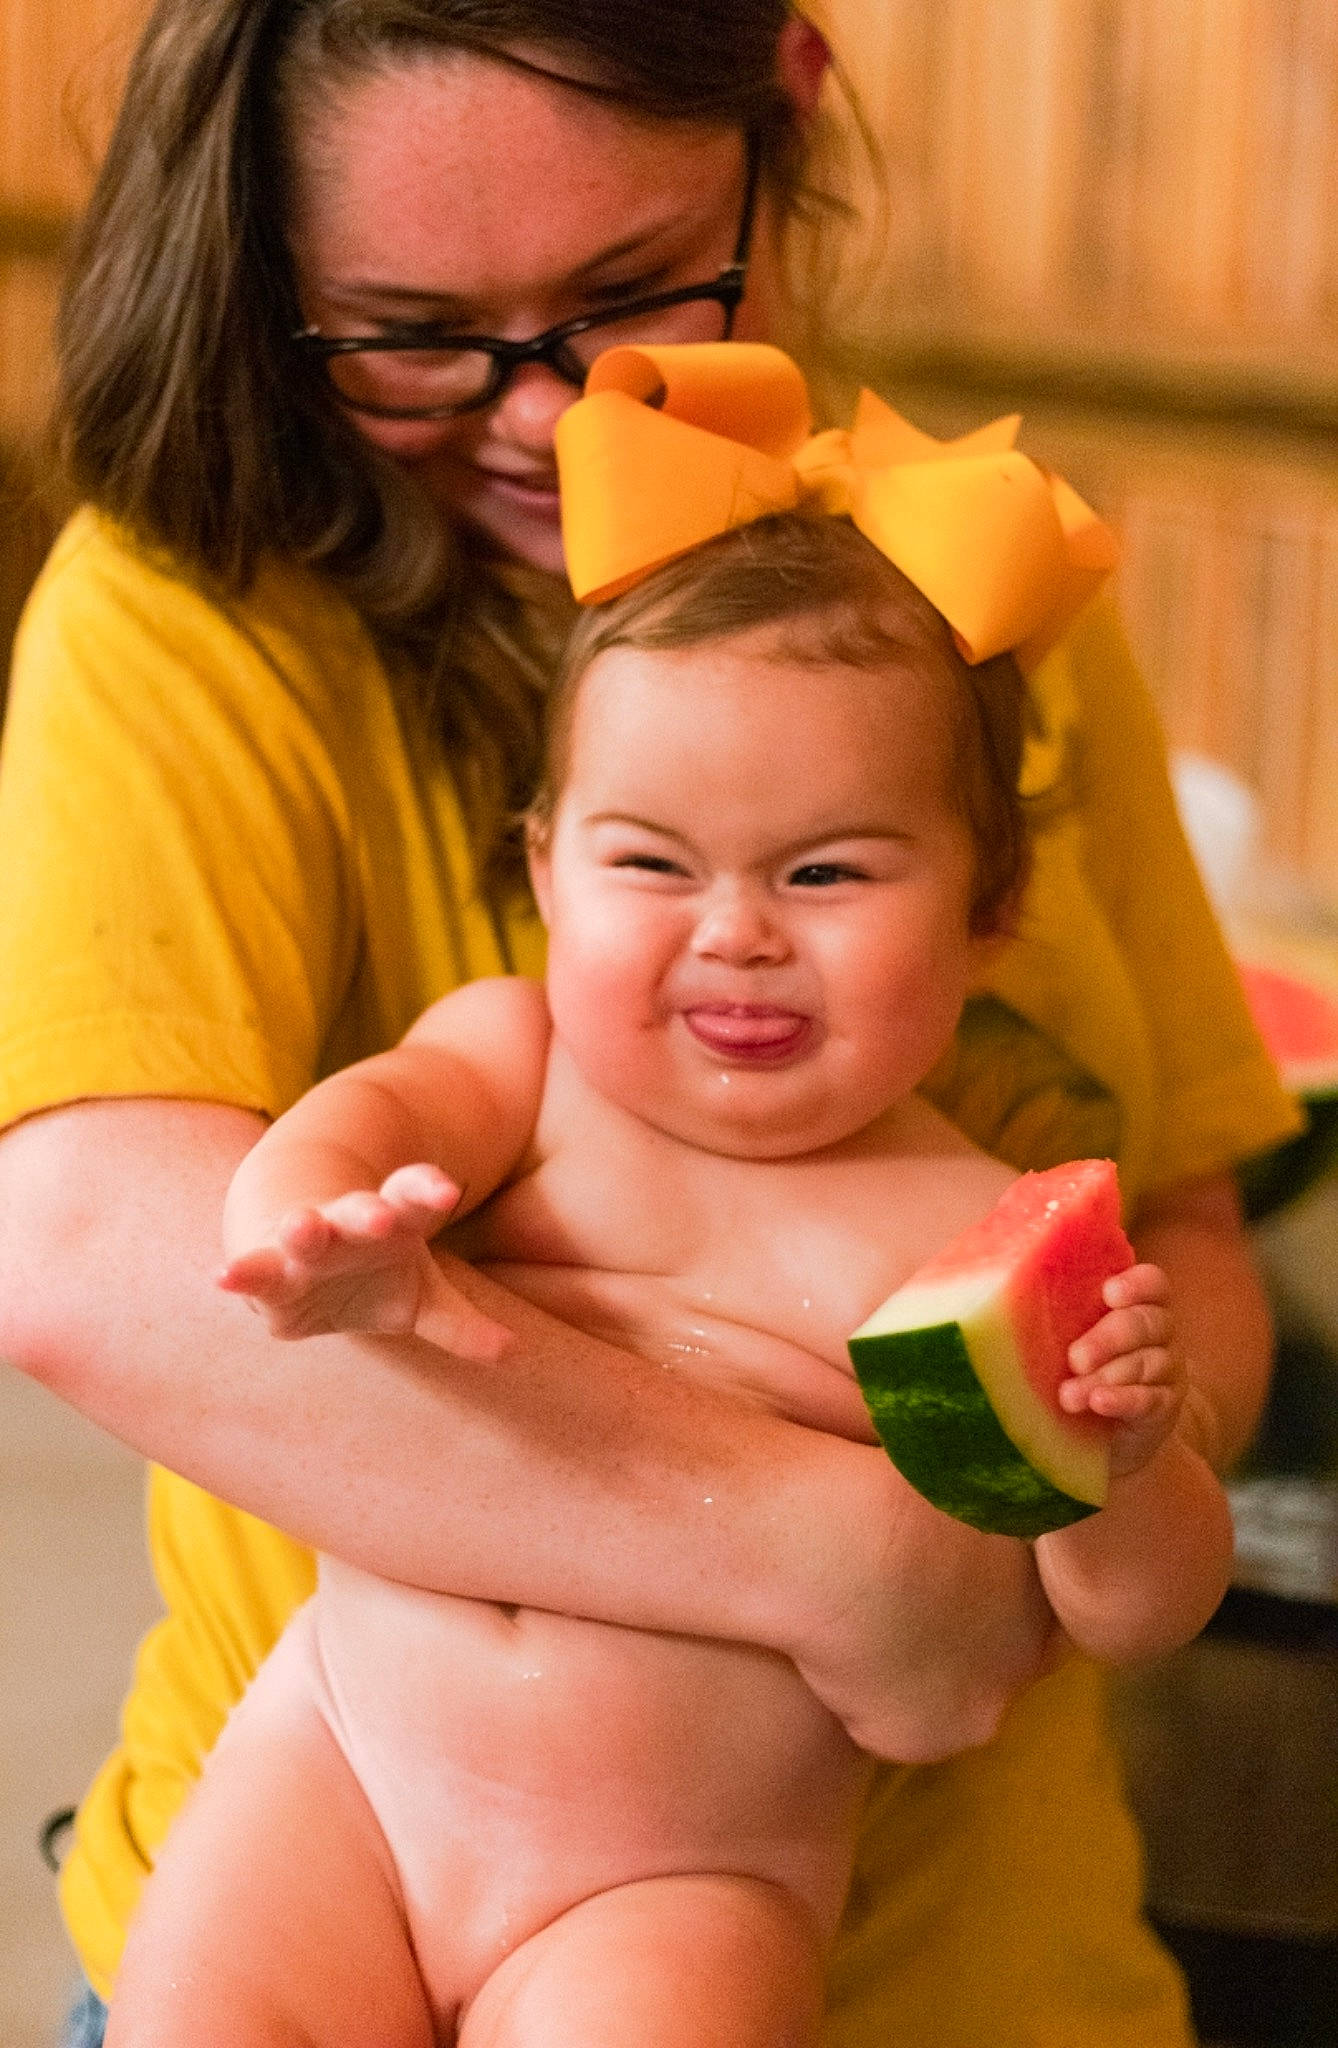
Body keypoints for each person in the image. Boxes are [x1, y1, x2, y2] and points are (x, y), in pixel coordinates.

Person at [0, 3, 1298, 2043]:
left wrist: (1115, 1454)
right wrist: (837, 1551)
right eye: (410, 334)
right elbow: (102, 1253)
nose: (540, 415)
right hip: (333, 1785)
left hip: (857, 1941)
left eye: (631, 294)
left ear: (790, 105)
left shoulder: (975, 597)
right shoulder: (201, 621)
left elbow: (1189, 1242)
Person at [104, 412, 1233, 2043]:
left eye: (828, 874)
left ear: (989, 906)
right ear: (548, 875)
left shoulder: (965, 1237)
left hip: (674, 1883)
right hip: (335, 1768)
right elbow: (371, 1120)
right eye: (652, 861)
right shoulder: (522, 1061)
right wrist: (322, 1217)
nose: (736, 936)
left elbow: (1125, 1614)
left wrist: (1124, 1470)